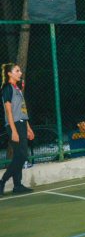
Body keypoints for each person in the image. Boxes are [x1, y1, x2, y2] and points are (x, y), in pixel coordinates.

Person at [0, 63, 34, 196]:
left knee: (19, 155)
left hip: (21, 124)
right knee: (22, 155)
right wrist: (13, 130)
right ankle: (2, 181)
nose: (20, 73)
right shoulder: (7, 88)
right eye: (17, 71)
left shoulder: (17, 89)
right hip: (13, 124)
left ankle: (18, 185)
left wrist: (28, 128)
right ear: (9, 73)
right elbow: (8, 111)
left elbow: (22, 111)